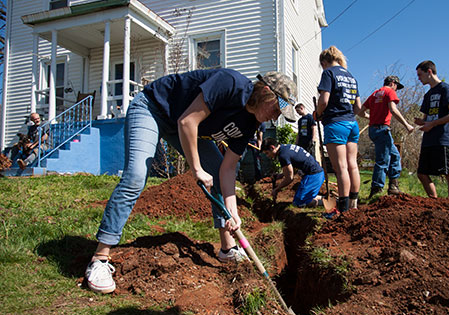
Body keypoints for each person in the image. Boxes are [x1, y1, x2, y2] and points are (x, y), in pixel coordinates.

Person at [85, 68, 297, 294]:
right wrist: (196, 168)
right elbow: (187, 121)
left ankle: (227, 248)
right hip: (154, 108)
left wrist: (233, 212)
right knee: (136, 175)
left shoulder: (251, 122)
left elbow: (227, 169)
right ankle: (100, 258)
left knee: (215, 169)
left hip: (184, 126)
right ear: (266, 92)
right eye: (277, 108)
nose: (276, 116)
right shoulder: (230, 84)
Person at [316, 46, 363, 214]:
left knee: (341, 167)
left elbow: (323, 101)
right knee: (353, 165)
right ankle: (353, 205)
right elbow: (358, 107)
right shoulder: (351, 77)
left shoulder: (328, 73)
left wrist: (318, 114)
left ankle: (342, 210)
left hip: (336, 124)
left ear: (324, 62)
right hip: (352, 124)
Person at [360, 75, 414, 198]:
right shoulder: (389, 91)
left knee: (395, 156)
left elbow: (360, 112)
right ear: (393, 83)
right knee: (383, 160)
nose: (396, 90)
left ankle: (393, 186)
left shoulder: (375, 94)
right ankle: (376, 190)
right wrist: (406, 125)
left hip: (374, 130)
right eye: (397, 87)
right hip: (382, 130)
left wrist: (371, 117)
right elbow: (393, 109)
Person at [414, 60, 449, 204]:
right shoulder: (428, 95)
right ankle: (435, 203)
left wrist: (432, 124)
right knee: (422, 173)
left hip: (443, 138)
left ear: (429, 72)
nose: (419, 78)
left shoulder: (446, 89)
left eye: (420, 75)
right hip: (428, 140)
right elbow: (426, 118)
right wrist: (422, 123)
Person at [261, 137, 324, 207]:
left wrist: (277, 189)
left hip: (314, 175)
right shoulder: (285, 148)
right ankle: (325, 199)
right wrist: (281, 175)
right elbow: (292, 167)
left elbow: (290, 178)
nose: (268, 156)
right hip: (315, 173)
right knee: (300, 200)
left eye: (267, 153)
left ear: (272, 147)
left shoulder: (282, 155)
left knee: (299, 203)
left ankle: (330, 203)